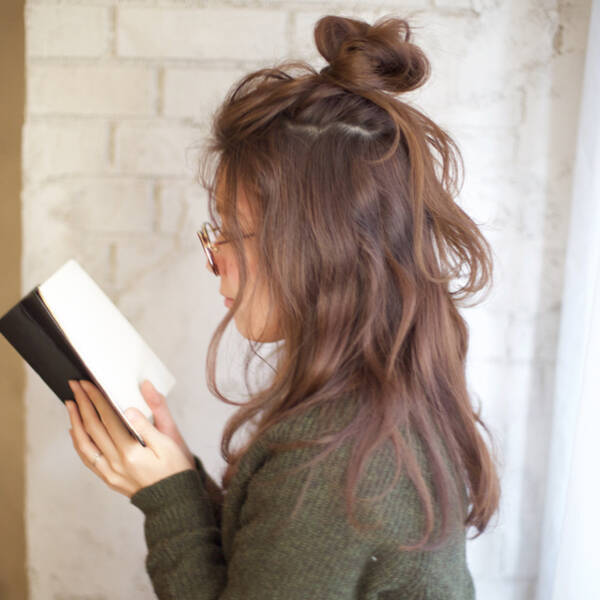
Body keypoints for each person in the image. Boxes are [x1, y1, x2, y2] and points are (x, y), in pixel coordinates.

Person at [65, 13, 501, 599]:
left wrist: (165, 500)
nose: (215, 260)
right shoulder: (375, 411)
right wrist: (180, 482)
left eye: (232, 233)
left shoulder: (332, 462)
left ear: (319, 249)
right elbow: (275, 564)